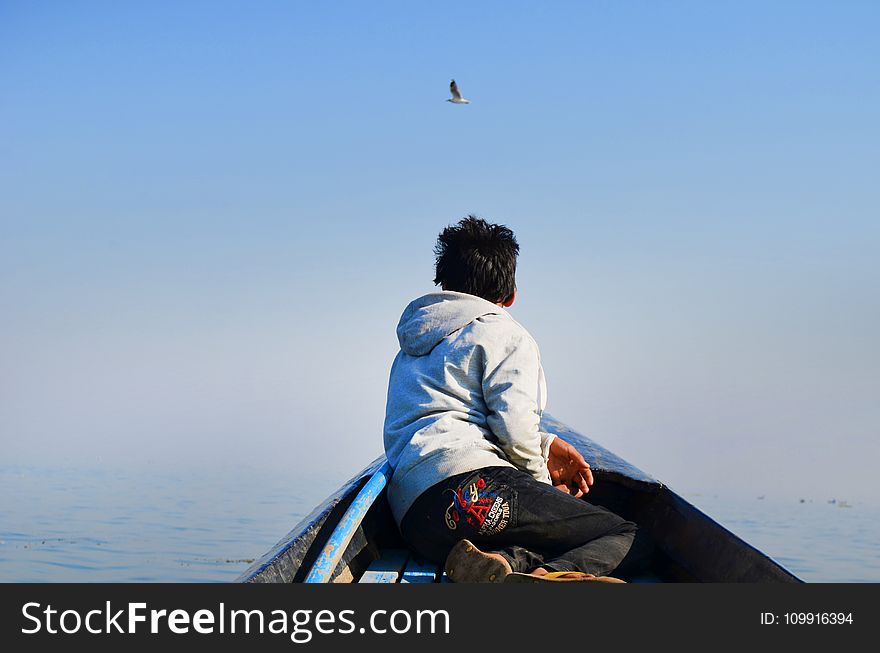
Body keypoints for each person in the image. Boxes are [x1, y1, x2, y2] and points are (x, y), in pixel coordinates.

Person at [382, 216, 637, 583]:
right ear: (510, 296)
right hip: (476, 492)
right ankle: (550, 576)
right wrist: (540, 485)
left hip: (417, 520)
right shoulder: (501, 330)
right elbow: (514, 427)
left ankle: (503, 564)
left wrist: (546, 444)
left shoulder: (410, 348)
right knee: (626, 535)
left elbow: (456, 411)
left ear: (445, 285)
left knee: (544, 531)